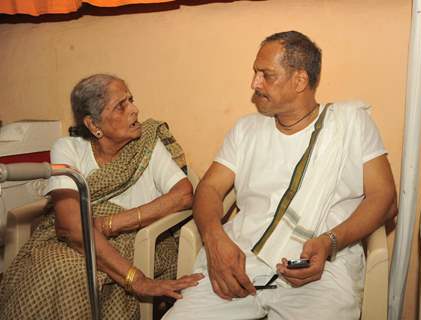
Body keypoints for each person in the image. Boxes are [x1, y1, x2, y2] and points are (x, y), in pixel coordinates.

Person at [163, 31, 397, 320]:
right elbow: (209, 188)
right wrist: (215, 240)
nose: (254, 83)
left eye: (266, 75)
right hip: (239, 261)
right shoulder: (246, 129)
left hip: (320, 269)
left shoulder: (350, 124)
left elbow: (384, 199)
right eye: (254, 73)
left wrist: (329, 242)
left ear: (299, 80)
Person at [0, 74, 203, 320]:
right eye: (121, 105)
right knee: (50, 264)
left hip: (136, 242)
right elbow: (70, 227)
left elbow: (183, 195)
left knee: (70, 268)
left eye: (131, 100)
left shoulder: (147, 144)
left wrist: (111, 223)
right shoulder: (68, 149)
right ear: (94, 125)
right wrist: (136, 279)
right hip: (72, 242)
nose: (134, 110)